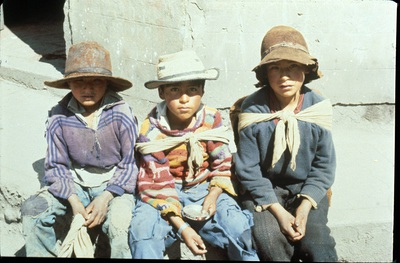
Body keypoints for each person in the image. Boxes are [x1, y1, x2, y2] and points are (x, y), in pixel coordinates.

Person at [128, 50, 259, 260]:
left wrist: (213, 195)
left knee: (239, 227)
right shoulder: (152, 129)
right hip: (165, 189)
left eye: (192, 89)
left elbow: (222, 163)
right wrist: (182, 227)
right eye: (174, 90)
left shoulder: (211, 119)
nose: (184, 98)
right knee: (142, 232)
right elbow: (155, 183)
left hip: (205, 187)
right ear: (161, 92)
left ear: (202, 90)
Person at [20, 41, 139, 258]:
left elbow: (130, 164)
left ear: (107, 84)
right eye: (79, 82)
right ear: (69, 84)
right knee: (33, 210)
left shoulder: (122, 114)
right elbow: (56, 166)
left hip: (113, 185)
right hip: (75, 184)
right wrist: (74, 201)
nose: (87, 88)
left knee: (120, 228)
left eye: (96, 81)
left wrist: (106, 197)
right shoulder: (59, 116)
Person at [233, 25, 338, 262]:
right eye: (275, 68)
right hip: (265, 188)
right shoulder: (253, 110)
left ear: (305, 70)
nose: (284, 76)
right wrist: (279, 212)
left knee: (317, 242)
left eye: (293, 67)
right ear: (265, 74)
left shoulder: (317, 108)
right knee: (269, 239)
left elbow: (324, 167)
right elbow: (247, 169)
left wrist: (303, 208)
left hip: (306, 187)